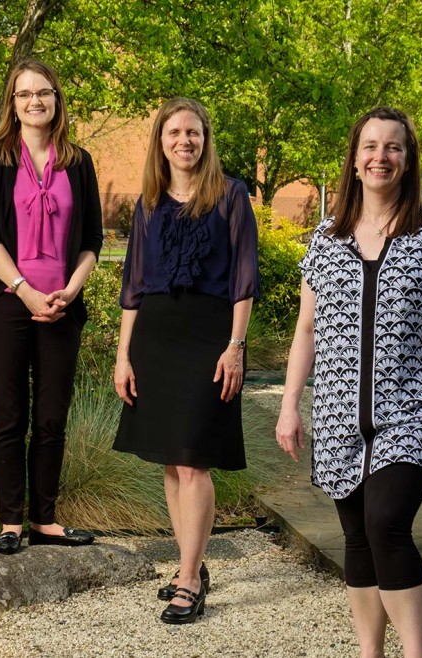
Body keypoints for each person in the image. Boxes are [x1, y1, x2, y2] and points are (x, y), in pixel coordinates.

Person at [275, 107, 422, 658]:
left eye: (393, 147)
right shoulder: (325, 237)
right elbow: (307, 330)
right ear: (354, 160)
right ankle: (371, 653)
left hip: (414, 409)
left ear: (408, 161)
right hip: (339, 414)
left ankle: (414, 652)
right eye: (370, 147)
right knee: (358, 537)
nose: (380, 157)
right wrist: (290, 404)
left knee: (387, 523)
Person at [112, 97, 260, 625]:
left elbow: (245, 279)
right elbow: (132, 285)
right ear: (161, 141)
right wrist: (123, 354)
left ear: (205, 138)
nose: (184, 141)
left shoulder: (231, 195)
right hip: (154, 337)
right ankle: (186, 564)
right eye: (173, 132)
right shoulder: (149, 202)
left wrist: (236, 346)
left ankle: (192, 578)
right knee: (172, 462)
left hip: (208, 338)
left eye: (192, 132)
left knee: (194, 459)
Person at [0, 59, 103, 556]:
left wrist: (71, 289)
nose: (34, 102)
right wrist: (25, 290)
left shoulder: (79, 161)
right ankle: (9, 522)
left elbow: (92, 237)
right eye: (23, 94)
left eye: (43, 93)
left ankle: (44, 518)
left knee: (51, 416)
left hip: (62, 304)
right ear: (12, 102)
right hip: (6, 302)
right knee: (9, 414)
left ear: (57, 99)